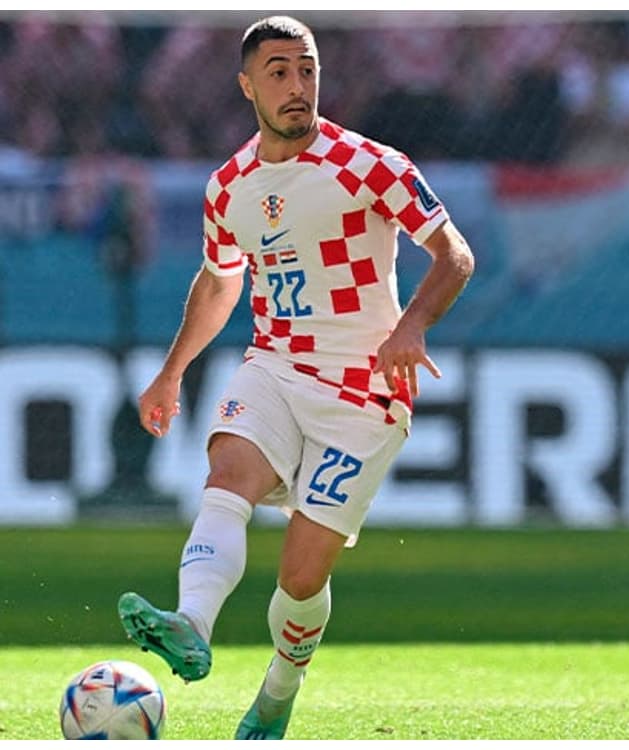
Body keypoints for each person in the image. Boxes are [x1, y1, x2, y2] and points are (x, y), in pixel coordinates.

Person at [117, 16, 475, 740]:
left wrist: (411, 326)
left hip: (365, 392)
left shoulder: (370, 163)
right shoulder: (230, 186)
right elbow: (220, 284)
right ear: (247, 85)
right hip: (276, 366)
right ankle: (191, 622)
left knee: (302, 578)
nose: (297, 85)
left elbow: (454, 255)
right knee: (227, 474)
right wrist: (170, 374)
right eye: (278, 72)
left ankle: (278, 696)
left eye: (307, 69)